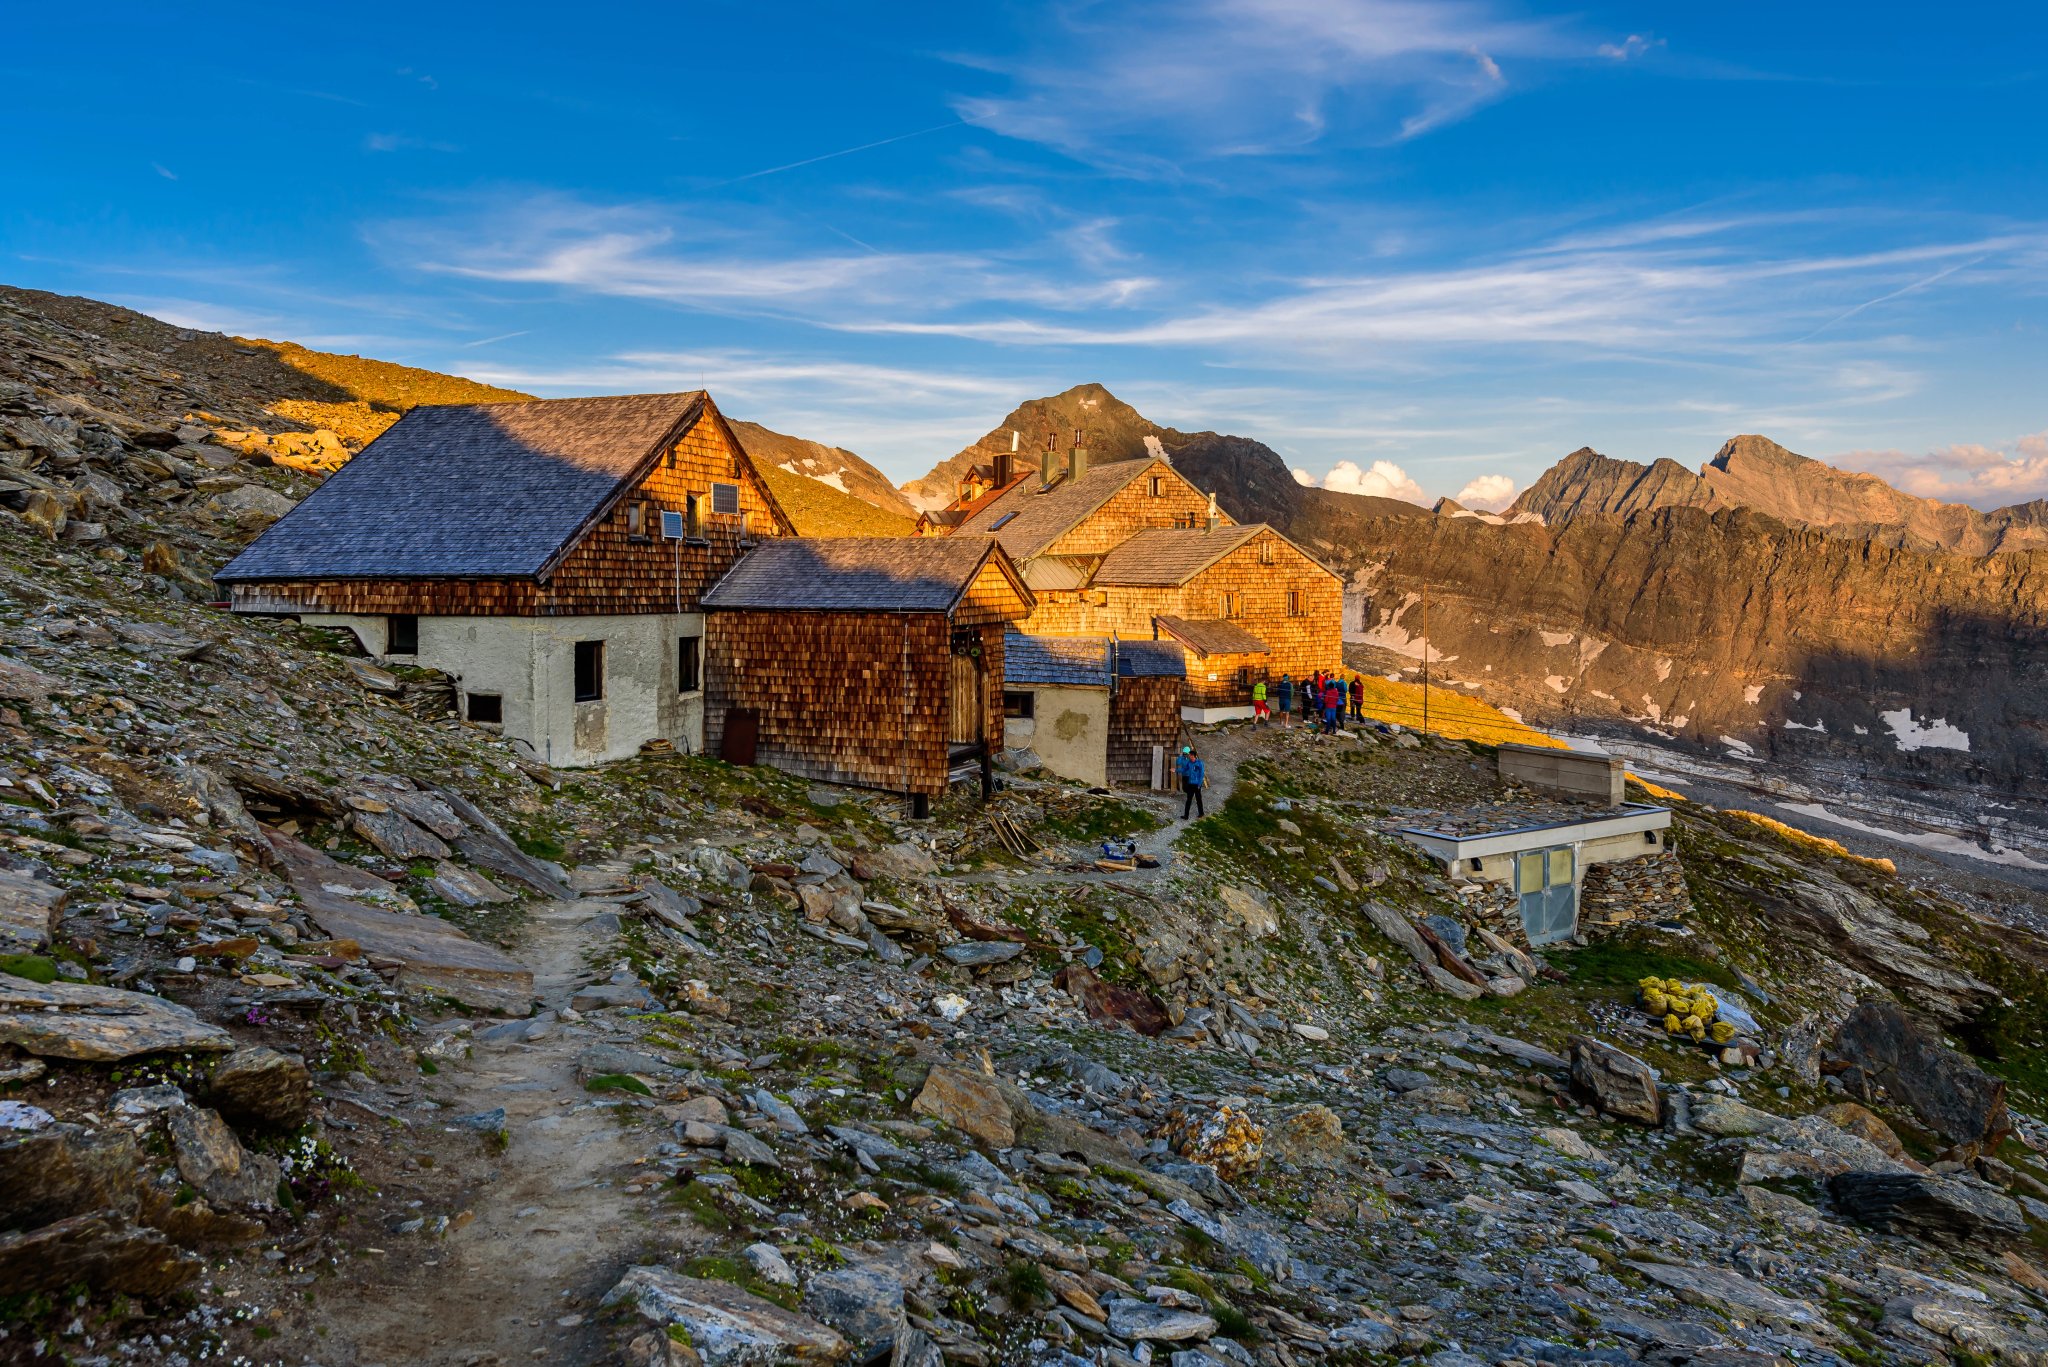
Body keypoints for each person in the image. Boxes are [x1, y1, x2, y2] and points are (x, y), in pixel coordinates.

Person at [1177, 746, 1206, 818]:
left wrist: (1199, 784)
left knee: (1198, 799)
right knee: (1188, 800)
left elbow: (1201, 774)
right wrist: (1176, 770)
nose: (1188, 756)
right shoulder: (1189, 763)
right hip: (1190, 783)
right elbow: (1184, 769)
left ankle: (1201, 813)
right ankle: (1186, 815)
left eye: (1189, 755)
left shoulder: (1200, 763)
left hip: (1197, 785)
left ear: (1193, 756)